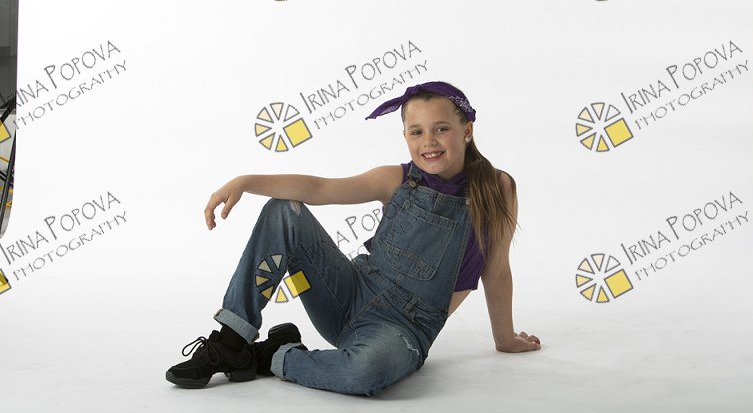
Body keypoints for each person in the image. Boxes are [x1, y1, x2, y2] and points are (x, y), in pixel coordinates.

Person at [166, 81, 541, 396]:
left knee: (365, 372)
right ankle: (231, 342)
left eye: (441, 128)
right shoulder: (396, 179)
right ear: (406, 137)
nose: (429, 141)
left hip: (402, 329)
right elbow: (320, 189)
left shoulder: (497, 188)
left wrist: (505, 339)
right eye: (416, 132)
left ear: (467, 130)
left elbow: (496, 270)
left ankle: (273, 356)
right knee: (285, 211)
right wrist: (246, 181)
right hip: (346, 293)